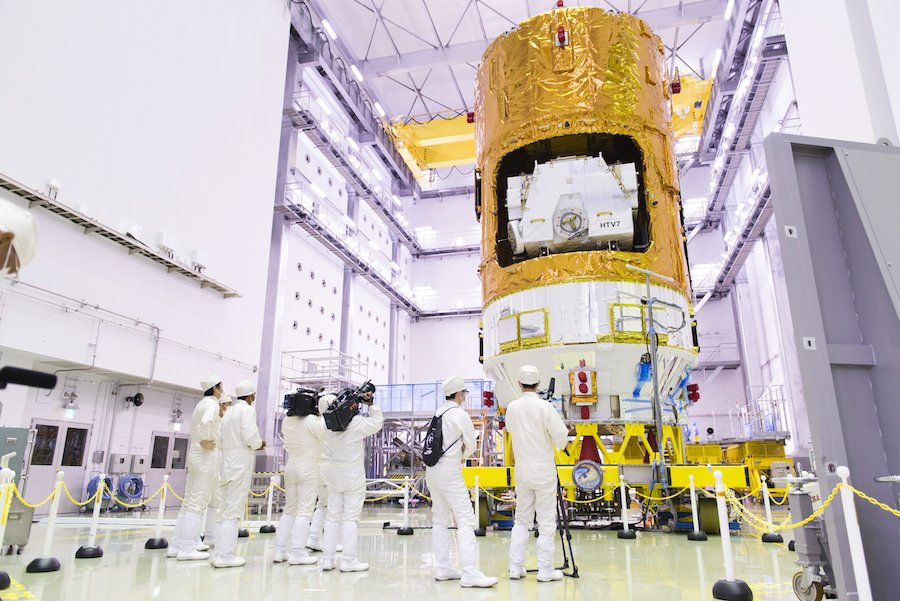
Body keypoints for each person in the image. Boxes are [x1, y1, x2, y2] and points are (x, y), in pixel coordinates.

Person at [426, 377, 498, 588]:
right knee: (465, 519)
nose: (465, 397)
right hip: (449, 471)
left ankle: (444, 567)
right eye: (464, 393)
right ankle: (469, 573)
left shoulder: (438, 413)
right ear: (458, 395)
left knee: (439, 518)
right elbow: (471, 447)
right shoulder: (459, 415)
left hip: (432, 471)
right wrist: (461, 455)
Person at [505, 365, 569, 582]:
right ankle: (545, 570)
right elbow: (561, 438)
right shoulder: (546, 407)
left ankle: (515, 568)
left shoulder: (512, 408)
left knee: (522, 520)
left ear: (519, 384)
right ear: (538, 384)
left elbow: (511, 430)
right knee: (546, 521)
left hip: (522, 470)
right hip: (543, 470)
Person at [322, 383, 383, 572]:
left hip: (334, 474)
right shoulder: (356, 424)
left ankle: (327, 560)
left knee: (332, 518)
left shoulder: (327, 426)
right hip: (352, 476)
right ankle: (348, 561)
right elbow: (377, 423)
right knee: (350, 518)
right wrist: (371, 404)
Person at [211, 380, 266, 568]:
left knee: (224, 508)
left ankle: (219, 552)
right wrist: (260, 444)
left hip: (226, 464)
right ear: (250, 396)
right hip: (240, 464)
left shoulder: (230, 411)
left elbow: (219, 437)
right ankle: (226, 556)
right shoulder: (248, 410)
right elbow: (250, 436)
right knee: (233, 510)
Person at [170, 375, 224, 560]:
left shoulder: (200, 404)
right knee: (198, 502)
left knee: (189, 501)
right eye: (221, 387)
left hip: (194, 455)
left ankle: (177, 543)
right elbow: (206, 422)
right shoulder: (212, 404)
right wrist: (205, 440)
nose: (222, 390)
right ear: (215, 389)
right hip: (205, 456)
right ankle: (187, 548)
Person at [273, 390, 324, 565]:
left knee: (289, 510)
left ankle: (279, 551)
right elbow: (326, 437)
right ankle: (297, 552)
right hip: (308, 468)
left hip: (291, 466)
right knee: (305, 511)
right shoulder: (312, 422)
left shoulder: (287, 421)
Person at [200, 393, 233, 550]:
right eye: (226, 404)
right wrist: (203, 439)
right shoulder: (215, 422)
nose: (228, 408)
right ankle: (194, 537)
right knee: (201, 501)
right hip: (210, 465)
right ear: (220, 405)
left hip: (219, 465)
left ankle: (211, 535)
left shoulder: (225, 423)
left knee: (217, 501)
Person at [306, 394, 335, 552]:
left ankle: (313, 538)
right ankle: (329, 543)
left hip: (318, 467)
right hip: (331, 468)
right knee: (333, 507)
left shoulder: (316, 423)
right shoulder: (333, 424)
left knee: (322, 505)